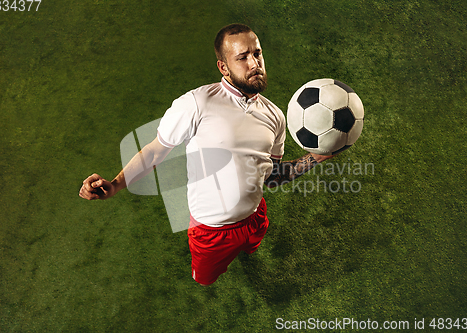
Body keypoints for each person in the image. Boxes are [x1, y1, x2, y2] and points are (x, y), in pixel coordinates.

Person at [79, 24, 335, 286]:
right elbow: (155, 151)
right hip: (211, 232)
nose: (254, 63)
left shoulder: (275, 116)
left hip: (255, 216)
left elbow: (272, 176)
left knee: (252, 245)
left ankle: (248, 246)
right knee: (205, 279)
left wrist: (315, 158)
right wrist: (115, 185)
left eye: (257, 53)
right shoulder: (196, 104)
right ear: (223, 67)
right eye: (242, 57)